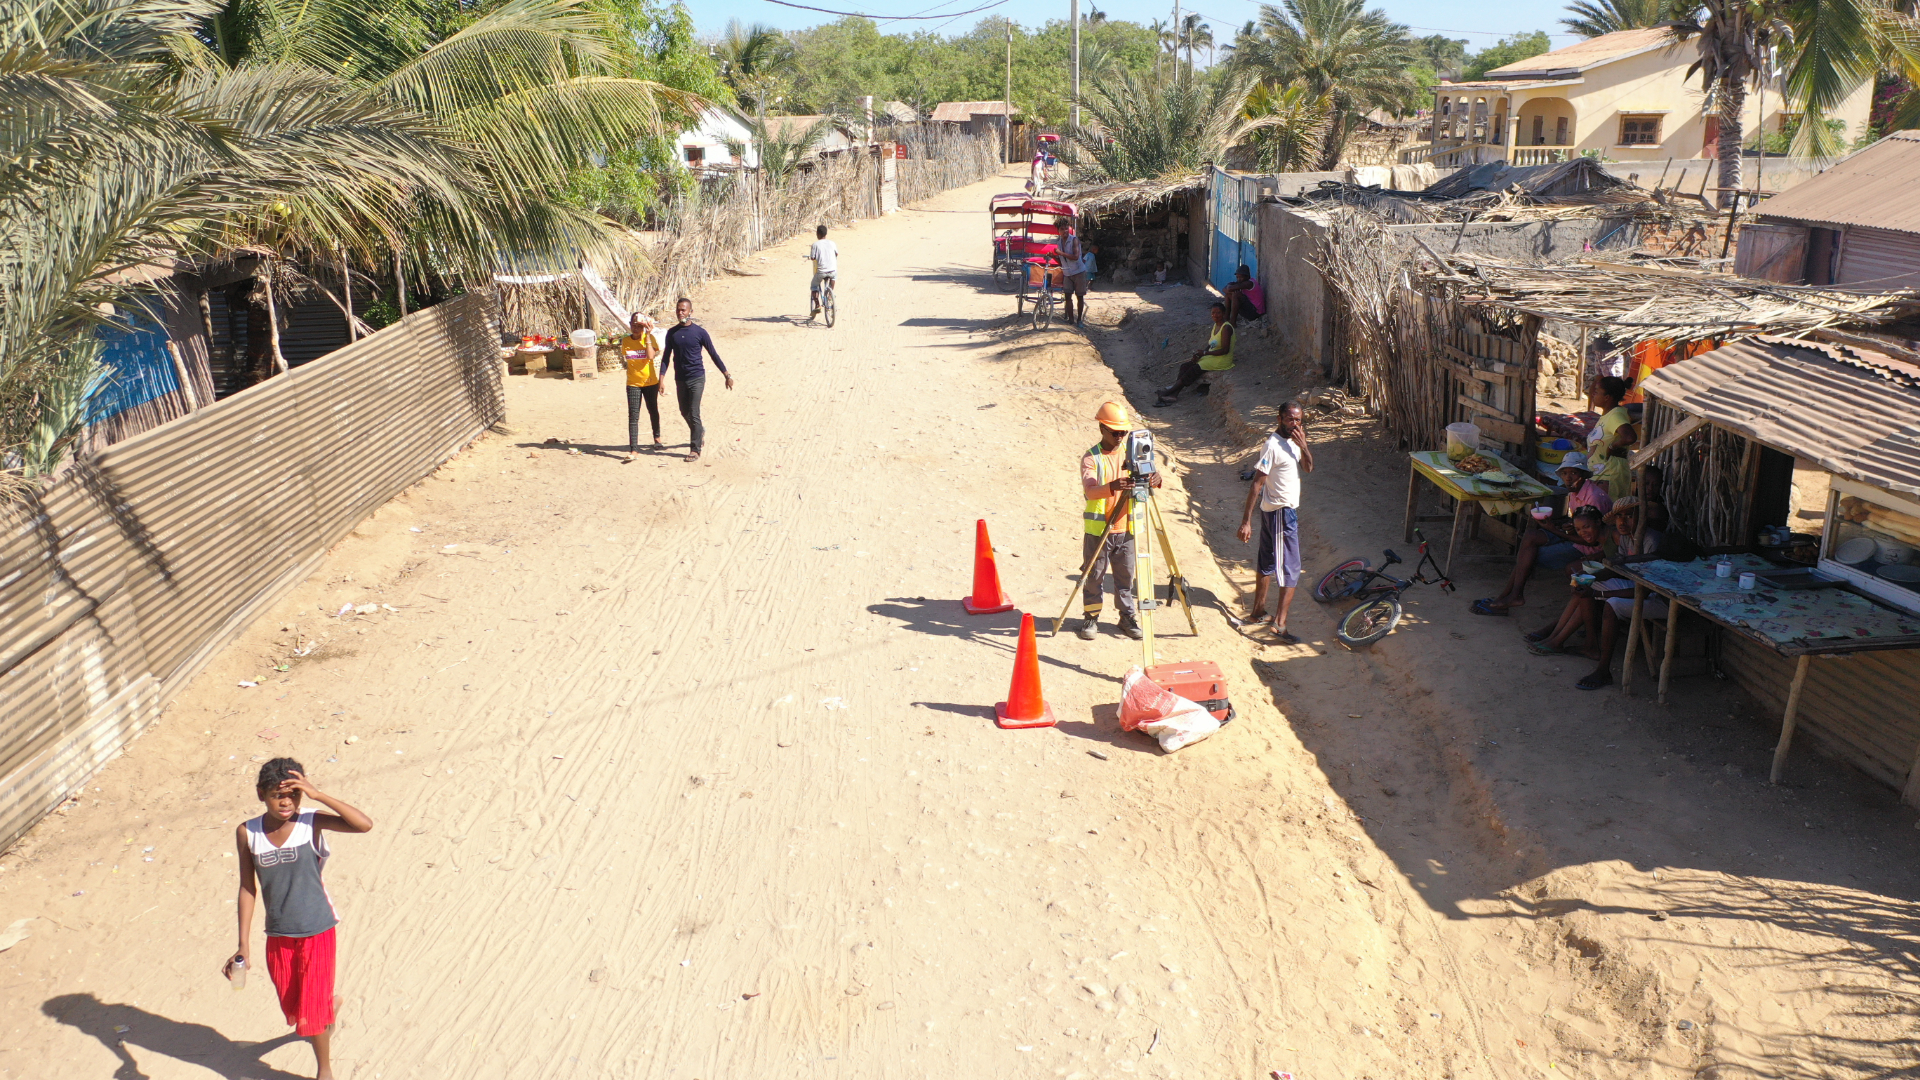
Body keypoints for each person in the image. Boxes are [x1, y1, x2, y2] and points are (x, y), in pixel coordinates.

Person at [224, 758, 373, 1080]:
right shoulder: (247, 833)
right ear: (260, 794)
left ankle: (325, 1070)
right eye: (279, 795)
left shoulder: (311, 822)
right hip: (279, 934)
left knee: (311, 1014)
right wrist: (242, 945)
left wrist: (318, 795)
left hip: (318, 929)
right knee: (293, 1007)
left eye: (294, 794)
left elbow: (363, 824)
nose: (287, 802)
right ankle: (326, 1008)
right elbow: (247, 887)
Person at [1471, 455, 1611, 615]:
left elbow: (1591, 541)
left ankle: (1507, 598)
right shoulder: (1575, 491)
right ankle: (1510, 596)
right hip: (1577, 535)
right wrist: (1564, 524)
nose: (1568, 478)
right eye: (1565, 473)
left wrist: (1554, 529)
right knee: (1531, 536)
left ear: (1584, 475)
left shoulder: (1594, 498)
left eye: (1573, 473)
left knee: (1529, 555)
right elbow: (1579, 522)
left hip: (1589, 549)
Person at [1075, 401, 1161, 640]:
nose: (1121, 437)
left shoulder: (1130, 452)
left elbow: (1149, 477)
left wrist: (1155, 477)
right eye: (1116, 432)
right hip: (1099, 530)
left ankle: (1127, 617)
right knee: (1094, 577)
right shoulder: (1092, 458)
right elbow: (1090, 492)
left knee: (1125, 578)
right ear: (1102, 428)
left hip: (1127, 528)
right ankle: (1091, 618)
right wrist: (1112, 487)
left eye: (1123, 432)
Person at [1235, 401, 1314, 642]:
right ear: (1279, 419)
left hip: (1276, 512)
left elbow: (1308, 468)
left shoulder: (1294, 442)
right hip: (1280, 514)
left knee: (1267, 562)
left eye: (1299, 420)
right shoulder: (1272, 446)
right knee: (1290, 568)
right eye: (1290, 419)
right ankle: (1280, 623)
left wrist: (1305, 446)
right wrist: (1246, 521)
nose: (1295, 424)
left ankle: (1258, 612)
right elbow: (1257, 484)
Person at [659, 297, 735, 463]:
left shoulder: (700, 333)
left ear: (690, 312)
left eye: (684, 310)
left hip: (697, 378)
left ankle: (695, 448)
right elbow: (666, 357)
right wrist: (661, 379)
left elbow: (713, 354)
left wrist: (726, 375)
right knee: (684, 411)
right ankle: (699, 431)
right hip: (680, 378)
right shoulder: (672, 333)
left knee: (693, 412)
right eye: (678, 310)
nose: (680, 313)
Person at [1156, 302, 1234, 405]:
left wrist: (1205, 353)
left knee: (1194, 369)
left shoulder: (1226, 328)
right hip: (1213, 356)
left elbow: (1225, 350)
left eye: (1218, 313)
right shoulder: (1216, 325)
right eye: (1213, 313)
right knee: (1185, 366)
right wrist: (1199, 355)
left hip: (1222, 359)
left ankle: (1168, 392)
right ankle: (1174, 394)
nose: (1215, 315)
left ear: (1223, 313)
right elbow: (1211, 344)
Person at [1584, 375, 1637, 500]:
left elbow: (1630, 437)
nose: (1593, 395)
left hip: (1610, 476)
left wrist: (1612, 446)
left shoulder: (1615, 415)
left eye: (1596, 392)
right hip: (1603, 474)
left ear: (1607, 397)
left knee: (1608, 515)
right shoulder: (1608, 415)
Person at [619, 312, 662, 460]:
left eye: (639, 326)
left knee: (653, 410)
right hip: (633, 383)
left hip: (650, 382)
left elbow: (650, 356)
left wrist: (648, 336)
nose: (636, 329)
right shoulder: (625, 342)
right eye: (633, 325)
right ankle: (634, 449)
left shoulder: (650, 339)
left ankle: (657, 438)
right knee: (633, 416)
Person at [806, 224, 838, 321]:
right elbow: (836, 254)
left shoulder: (815, 245)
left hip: (821, 271)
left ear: (818, 234)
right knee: (833, 277)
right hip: (832, 270)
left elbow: (813, 257)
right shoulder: (832, 243)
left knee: (814, 285)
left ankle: (817, 305)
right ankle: (830, 294)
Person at [1060, 225, 1086, 325]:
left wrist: (1061, 253)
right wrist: (1054, 255)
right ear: (1058, 231)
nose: (1064, 231)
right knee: (1067, 296)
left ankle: (1079, 320)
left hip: (1078, 272)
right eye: (1062, 229)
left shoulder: (1074, 240)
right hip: (1067, 272)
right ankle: (1071, 320)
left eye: (1066, 228)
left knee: (1079, 296)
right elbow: (1061, 258)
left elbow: (1075, 256)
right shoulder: (1059, 242)